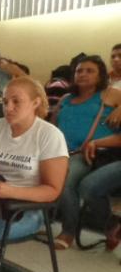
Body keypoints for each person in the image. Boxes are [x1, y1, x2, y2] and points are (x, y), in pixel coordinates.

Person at [0, 76, 68, 243]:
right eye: (5, 101)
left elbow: (52, 190)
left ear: (35, 103)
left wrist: (10, 191)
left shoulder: (49, 135)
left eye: (16, 102)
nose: (8, 108)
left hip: (26, 210)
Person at [52, 55, 121, 249]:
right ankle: (110, 224)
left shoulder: (111, 95)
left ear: (101, 76)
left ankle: (68, 231)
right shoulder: (66, 99)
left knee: (68, 182)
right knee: (64, 179)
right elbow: (52, 128)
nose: (83, 74)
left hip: (103, 154)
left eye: (90, 71)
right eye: (79, 71)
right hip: (69, 154)